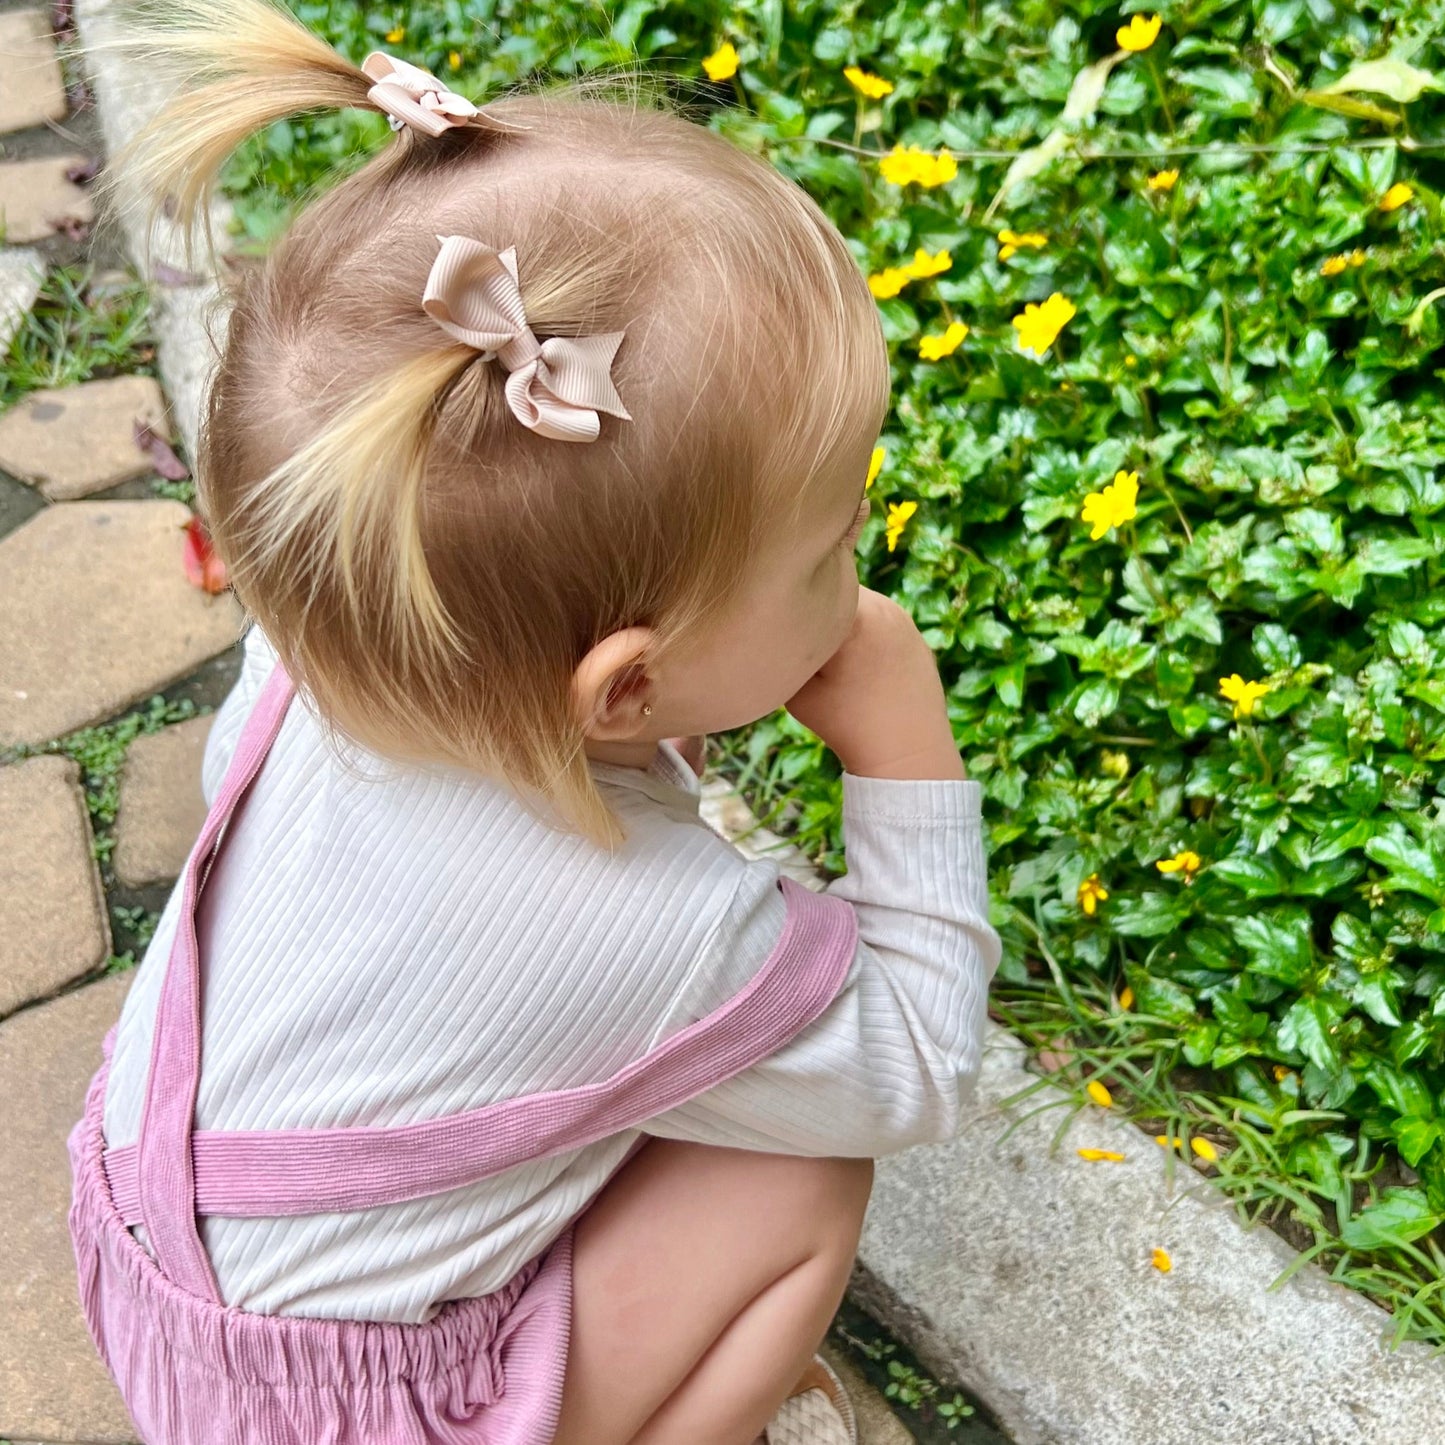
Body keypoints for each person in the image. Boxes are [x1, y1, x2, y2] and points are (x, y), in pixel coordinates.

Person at [67, 2, 1001, 1441]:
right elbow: (918, 1067)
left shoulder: (320, 666)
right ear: (622, 687)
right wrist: (898, 738)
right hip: (319, 1406)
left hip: (155, 1261)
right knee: (799, 1176)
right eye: (830, 545)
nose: (858, 557)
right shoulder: (665, 923)